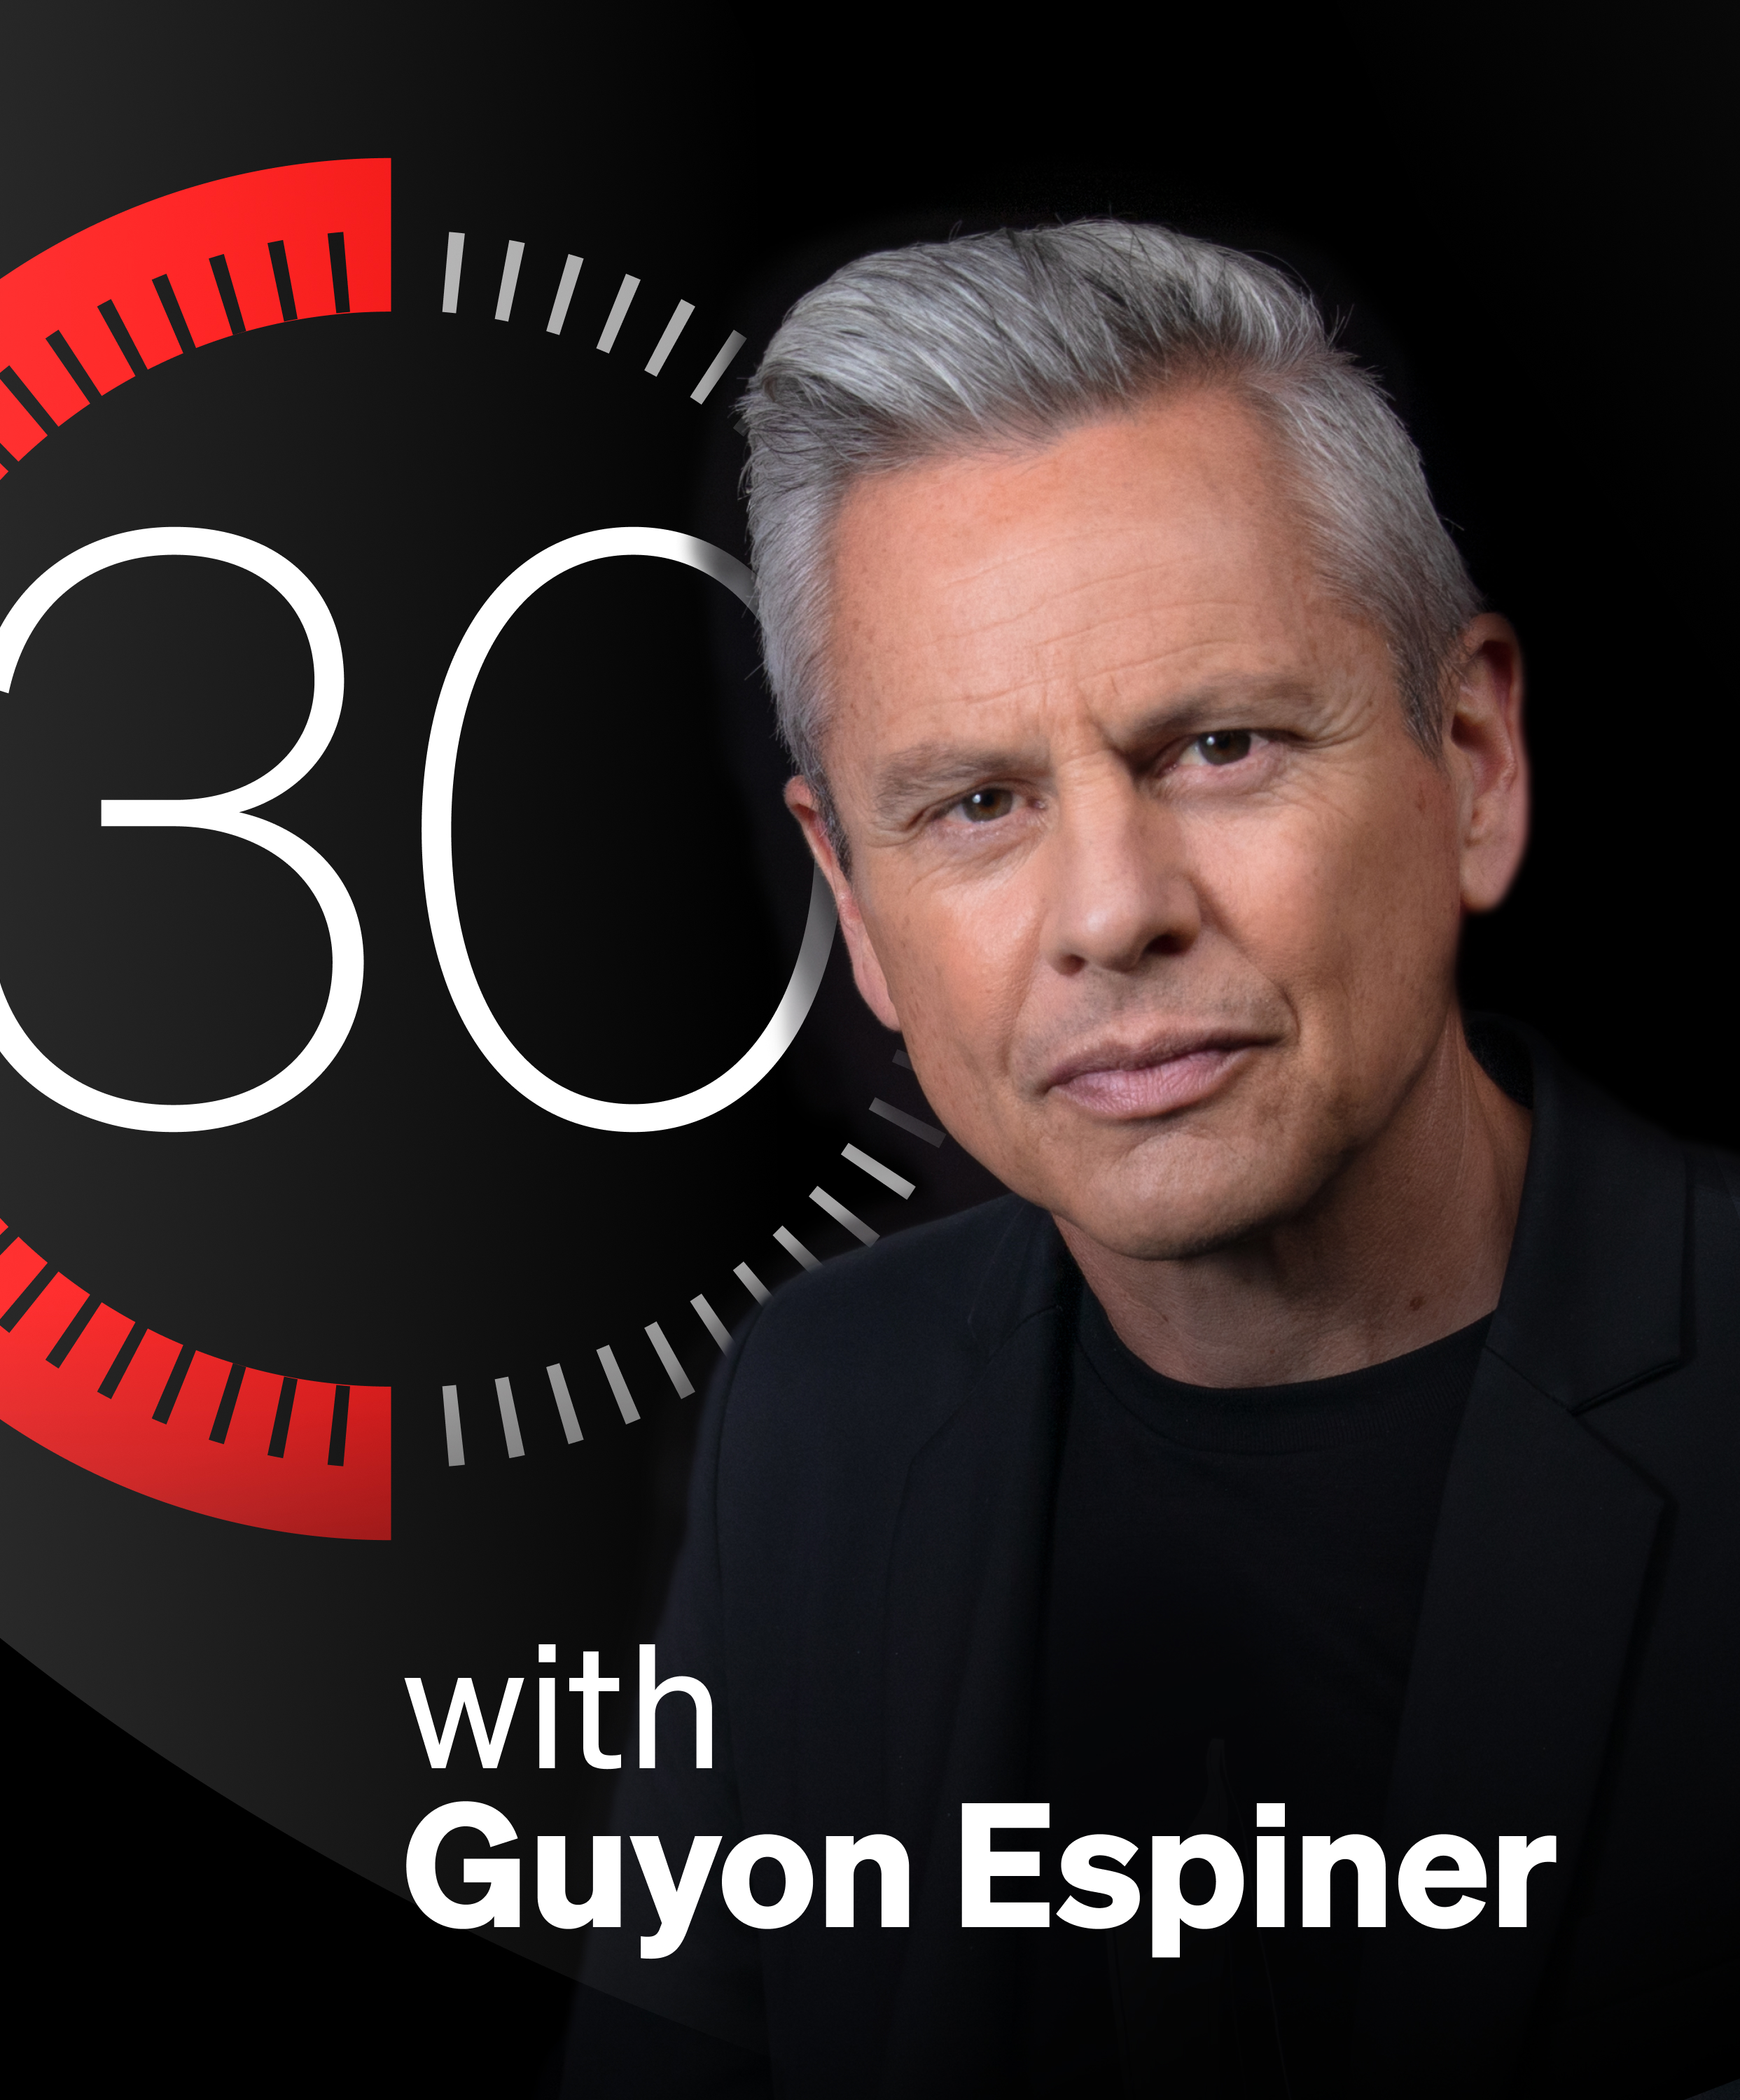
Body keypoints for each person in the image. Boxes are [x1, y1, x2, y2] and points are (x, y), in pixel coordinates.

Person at [559, 223, 1736, 2096]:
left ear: (1475, 762)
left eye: (1221, 746)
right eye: (976, 805)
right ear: (854, 903)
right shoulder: (820, 1417)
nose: (1110, 914)